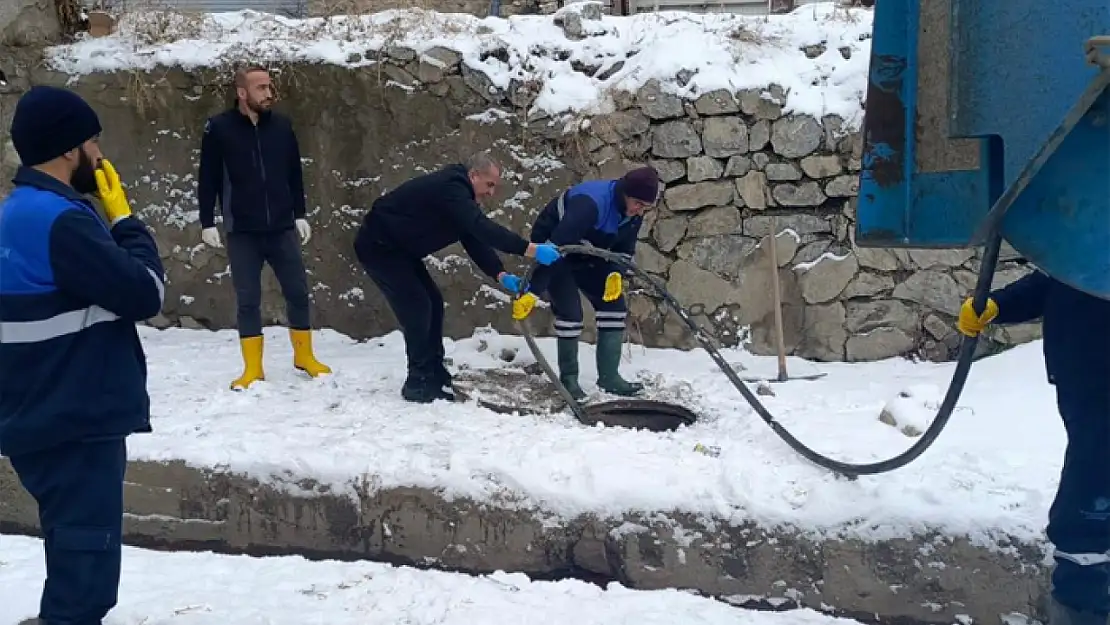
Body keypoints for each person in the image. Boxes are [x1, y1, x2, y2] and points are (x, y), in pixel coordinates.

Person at [0, 86, 166, 625]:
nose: (100, 154)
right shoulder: (61, 221)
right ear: (72, 149)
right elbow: (146, 292)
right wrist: (124, 220)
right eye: (93, 141)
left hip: (34, 407)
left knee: (69, 539)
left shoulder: (14, 213)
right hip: (75, 412)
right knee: (85, 561)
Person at [957, 270, 1109, 625]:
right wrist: (998, 304)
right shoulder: (1089, 225)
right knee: (1092, 477)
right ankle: (1080, 600)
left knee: (1093, 481)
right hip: (1086, 372)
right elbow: (1064, 271)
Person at [354, 152, 561, 403]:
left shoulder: (460, 199)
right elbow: (481, 228)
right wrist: (532, 250)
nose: (491, 193)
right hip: (379, 248)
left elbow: (474, 238)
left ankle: (435, 373)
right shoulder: (451, 188)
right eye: (489, 184)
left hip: (401, 252)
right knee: (418, 307)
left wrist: (500, 273)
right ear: (473, 176)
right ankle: (417, 381)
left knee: (433, 302)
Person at [197, 65, 330, 390]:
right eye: (261, 88)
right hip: (242, 230)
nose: (268, 93)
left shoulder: (282, 127)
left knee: (298, 292)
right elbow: (208, 177)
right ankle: (252, 368)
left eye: (269, 87)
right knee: (248, 300)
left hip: (282, 226)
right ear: (242, 93)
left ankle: (304, 357)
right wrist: (206, 221)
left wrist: (300, 213)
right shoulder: (219, 128)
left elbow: (293, 173)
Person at [511, 166, 660, 399]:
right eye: (638, 204)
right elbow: (554, 248)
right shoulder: (590, 204)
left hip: (589, 252)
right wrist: (534, 290)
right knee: (571, 313)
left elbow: (623, 251)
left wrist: (615, 274)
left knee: (614, 307)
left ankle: (610, 378)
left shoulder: (633, 215)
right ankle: (569, 380)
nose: (640, 211)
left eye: (646, 207)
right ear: (625, 194)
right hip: (555, 249)